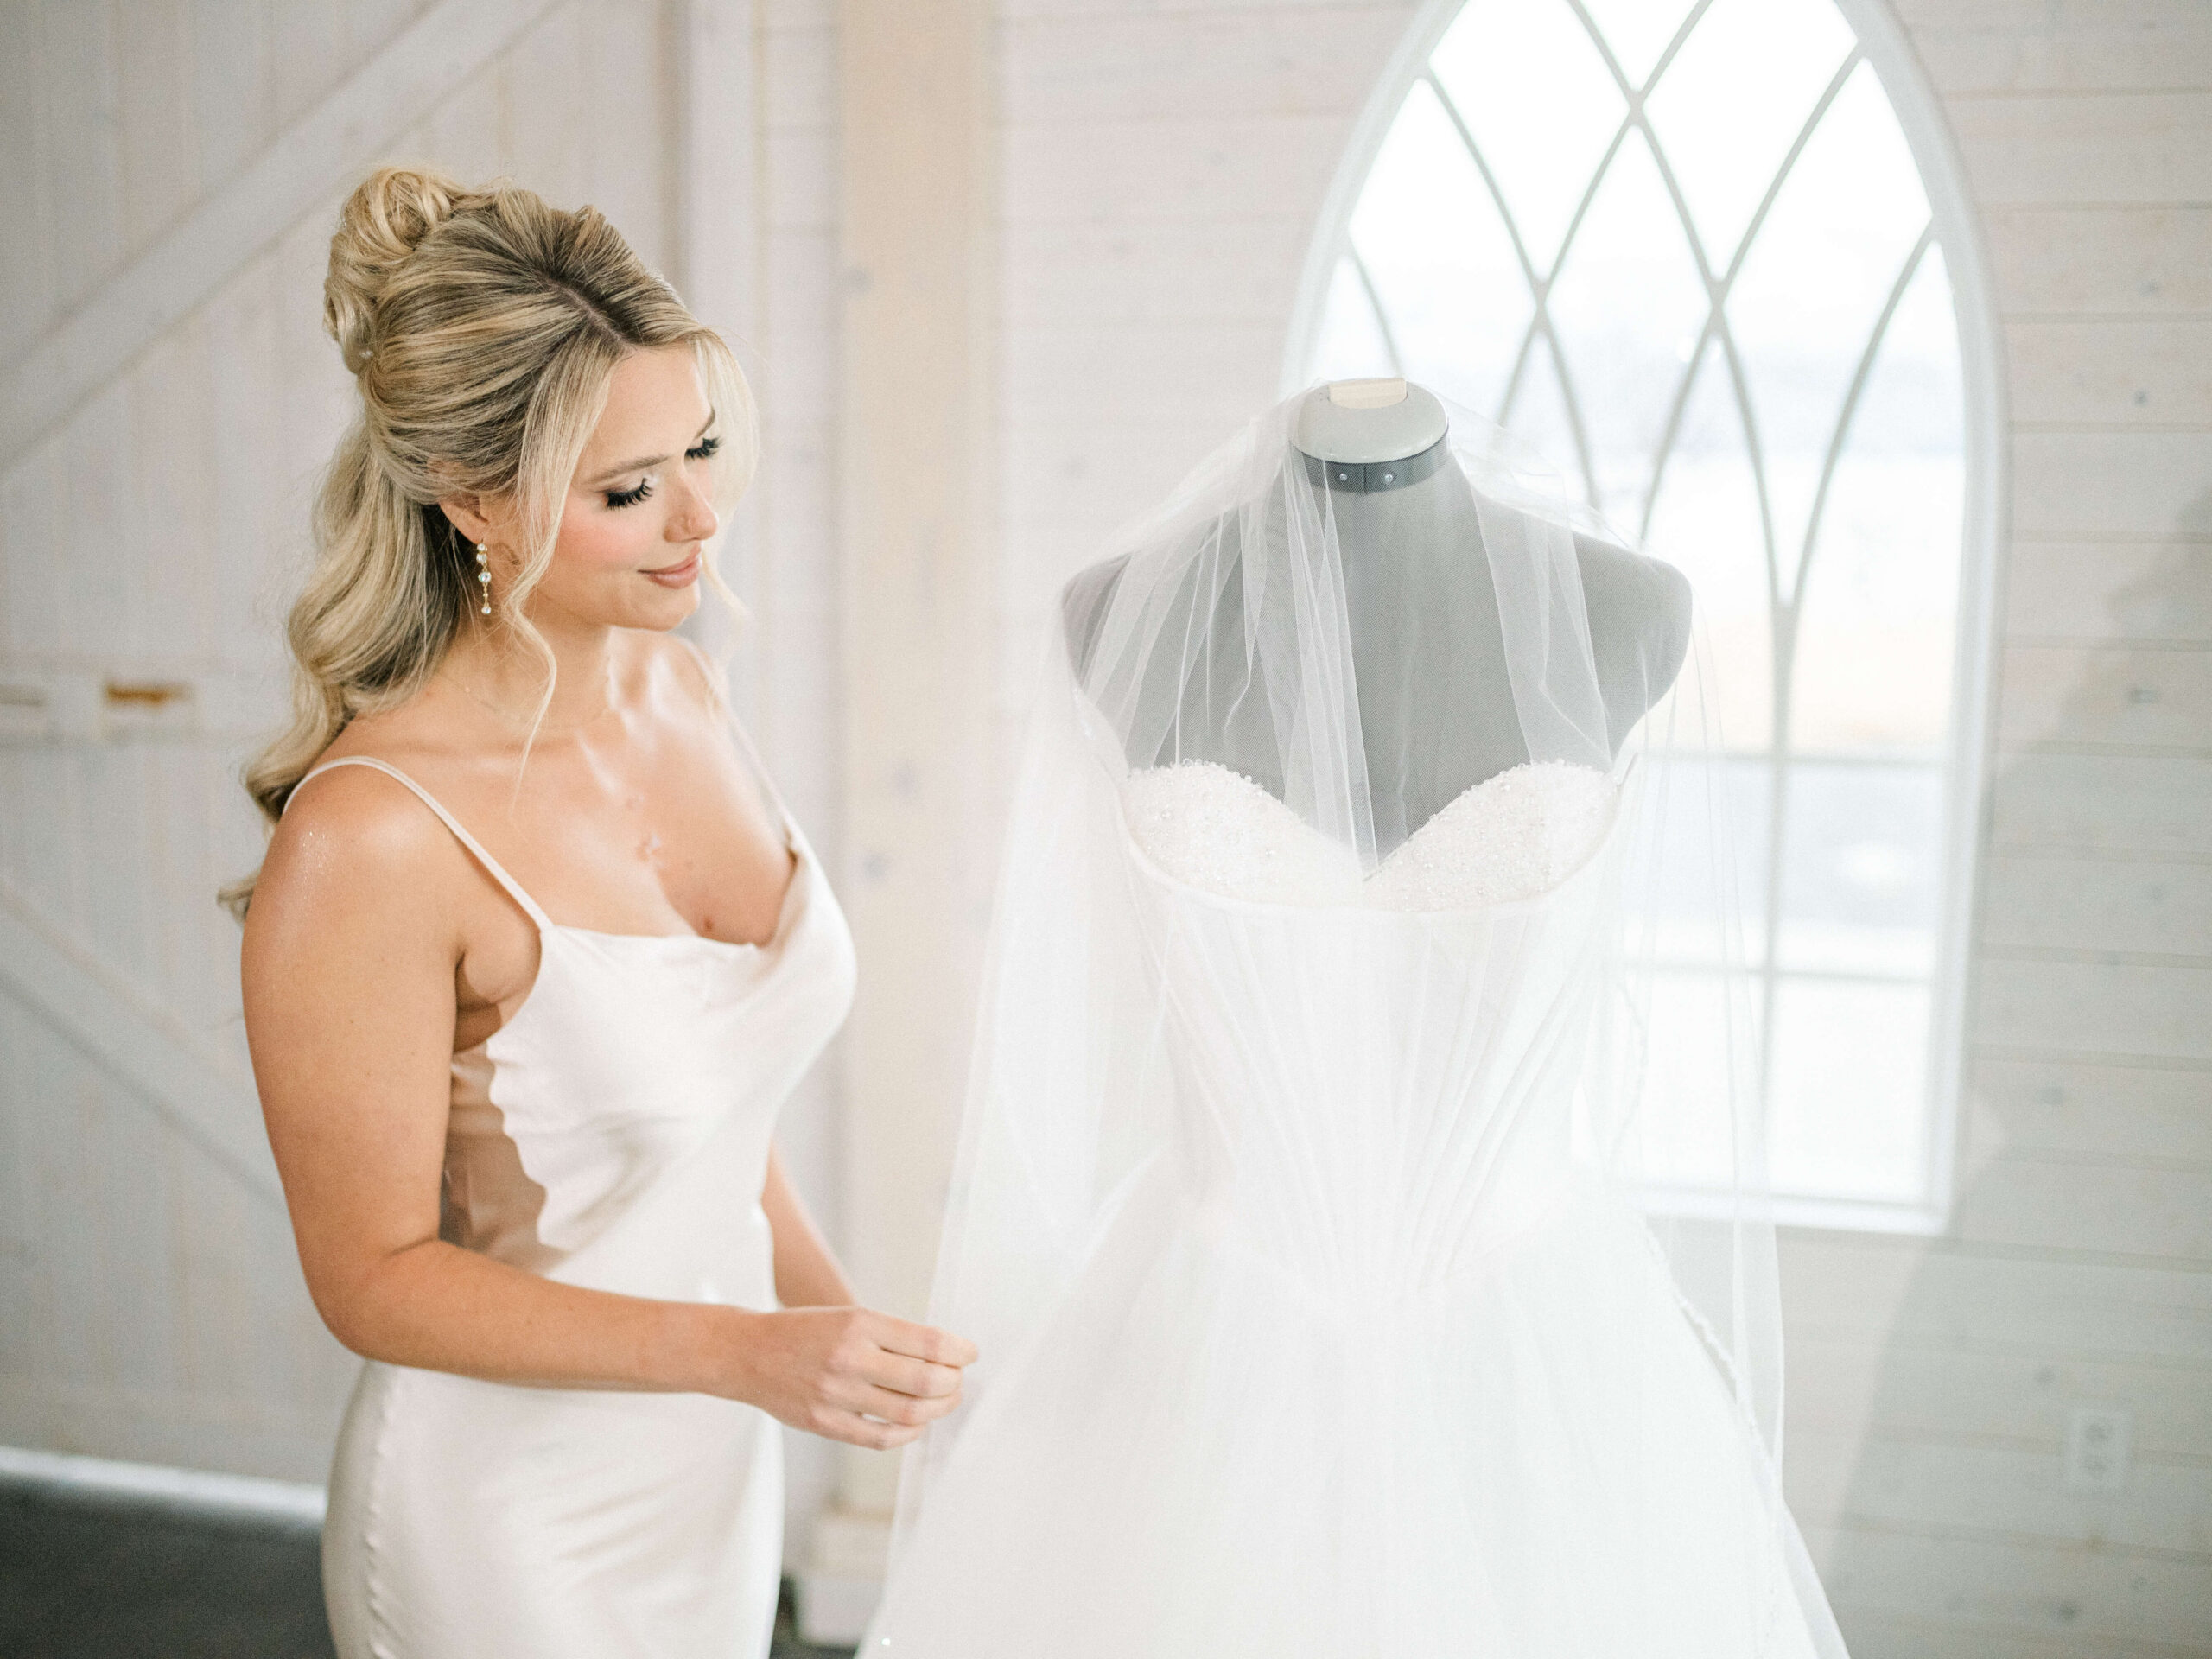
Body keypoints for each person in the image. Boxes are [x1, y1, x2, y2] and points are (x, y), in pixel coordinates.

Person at [232, 167, 975, 1659]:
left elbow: (717, 1119)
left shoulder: (684, 685)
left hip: (712, 1458)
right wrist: (754, 1354)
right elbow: (369, 1282)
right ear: (473, 506)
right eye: (629, 491)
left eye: (700, 447)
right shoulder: (373, 837)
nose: (701, 518)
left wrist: (863, 1362)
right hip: (509, 1520)